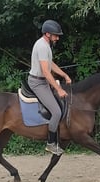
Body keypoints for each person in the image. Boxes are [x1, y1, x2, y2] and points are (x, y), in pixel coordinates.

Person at [28, 19, 72, 155]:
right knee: (57, 112)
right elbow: (46, 72)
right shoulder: (41, 46)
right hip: (37, 82)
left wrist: (64, 75)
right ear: (47, 34)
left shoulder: (46, 45)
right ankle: (51, 143)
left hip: (43, 81)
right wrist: (58, 89)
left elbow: (51, 64)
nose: (57, 38)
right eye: (55, 35)